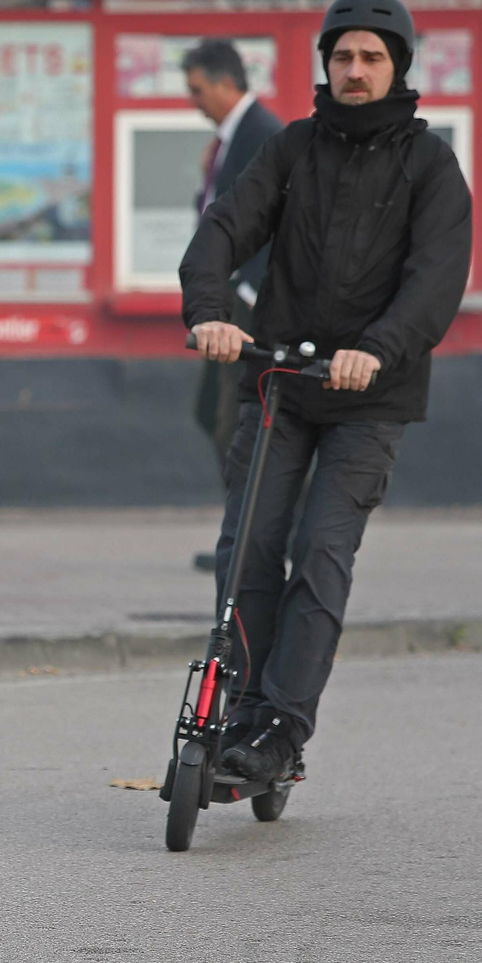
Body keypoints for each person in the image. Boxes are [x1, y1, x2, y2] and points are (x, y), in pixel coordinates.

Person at [180, 0, 471, 782]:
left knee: (318, 550)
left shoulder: (432, 164)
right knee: (247, 547)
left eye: (372, 57)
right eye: (342, 55)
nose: (354, 69)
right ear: (326, 64)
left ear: (397, 66)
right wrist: (208, 310)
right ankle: (238, 703)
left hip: (371, 395)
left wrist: (376, 350)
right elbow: (223, 229)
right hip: (279, 376)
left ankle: (280, 725)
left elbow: (435, 280)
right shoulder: (292, 148)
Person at [182, 40, 284, 573]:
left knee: (237, 421)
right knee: (212, 413)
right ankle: (245, 532)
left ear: (226, 84)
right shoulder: (229, 140)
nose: (193, 101)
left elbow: (278, 217)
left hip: (246, 305)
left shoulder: (263, 134)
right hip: (224, 301)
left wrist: (249, 288)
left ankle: (256, 538)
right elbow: (216, 214)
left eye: (197, 90)